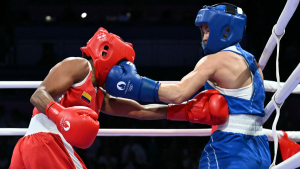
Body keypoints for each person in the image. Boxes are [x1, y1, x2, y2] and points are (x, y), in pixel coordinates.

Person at [9, 28, 228, 169]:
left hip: (30, 148)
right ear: (105, 54)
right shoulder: (79, 65)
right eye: (121, 65)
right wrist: (61, 115)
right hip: (48, 142)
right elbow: (38, 94)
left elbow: (140, 111)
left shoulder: (99, 97)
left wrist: (185, 110)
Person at [105, 3, 271, 169]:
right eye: (203, 31)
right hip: (260, 148)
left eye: (208, 30)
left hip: (230, 147)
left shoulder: (214, 61)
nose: (204, 37)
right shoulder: (253, 64)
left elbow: (178, 93)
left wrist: (136, 85)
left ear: (225, 30)